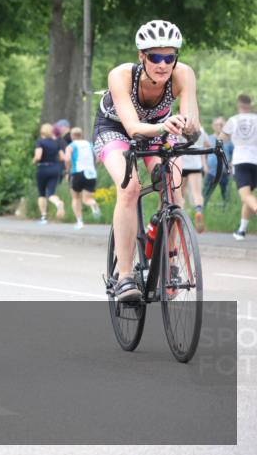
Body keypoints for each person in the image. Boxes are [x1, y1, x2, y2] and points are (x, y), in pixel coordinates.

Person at [94, 20, 198, 301]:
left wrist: (189, 128)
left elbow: (191, 122)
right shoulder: (121, 75)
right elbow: (132, 129)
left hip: (159, 128)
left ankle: (170, 263)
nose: (163, 64)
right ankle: (125, 277)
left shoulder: (183, 75)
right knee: (129, 188)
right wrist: (167, 127)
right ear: (142, 56)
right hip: (116, 128)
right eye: (155, 57)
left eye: (169, 57)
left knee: (174, 188)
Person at [220, 93, 257, 241]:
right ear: (251, 105)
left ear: (238, 105)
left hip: (241, 161)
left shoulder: (233, 120)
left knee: (245, 196)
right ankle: (241, 231)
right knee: (248, 197)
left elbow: (220, 139)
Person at [64, 127, 101, 229]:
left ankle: (80, 222)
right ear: (81, 135)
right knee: (87, 199)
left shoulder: (71, 146)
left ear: (72, 136)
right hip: (91, 173)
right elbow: (98, 159)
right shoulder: (90, 144)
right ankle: (92, 203)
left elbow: (67, 159)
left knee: (76, 198)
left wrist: (67, 171)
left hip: (77, 173)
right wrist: (93, 167)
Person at [179, 123, 210, 232]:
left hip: (181, 165)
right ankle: (198, 211)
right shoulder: (199, 128)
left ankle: (180, 218)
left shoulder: (178, 127)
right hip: (195, 165)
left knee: (179, 194)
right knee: (197, 194)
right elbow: (208, 144)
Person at [33, 123, 65, 223]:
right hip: (55, 169)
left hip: (43, 168)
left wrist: (33, 161)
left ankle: (43, 217)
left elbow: (38, 156)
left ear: (42, 131)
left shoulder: (40, 142)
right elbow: (62, 157)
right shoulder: (56, 143)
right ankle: (58, 203)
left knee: (41, 194)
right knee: (51, 193)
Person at [204, 117, 233, 205]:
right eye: (217, 124)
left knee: (226, 195)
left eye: (221, 124)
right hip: (211, 171)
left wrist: (231, 163)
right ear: (213, 126)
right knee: (205, 194)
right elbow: (203, 154)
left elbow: (234, 153)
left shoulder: (228, 140)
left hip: (224, 172)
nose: (219, 126)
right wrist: (205, 166)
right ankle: (201, 211)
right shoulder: (208, 139)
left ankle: (227, 212)